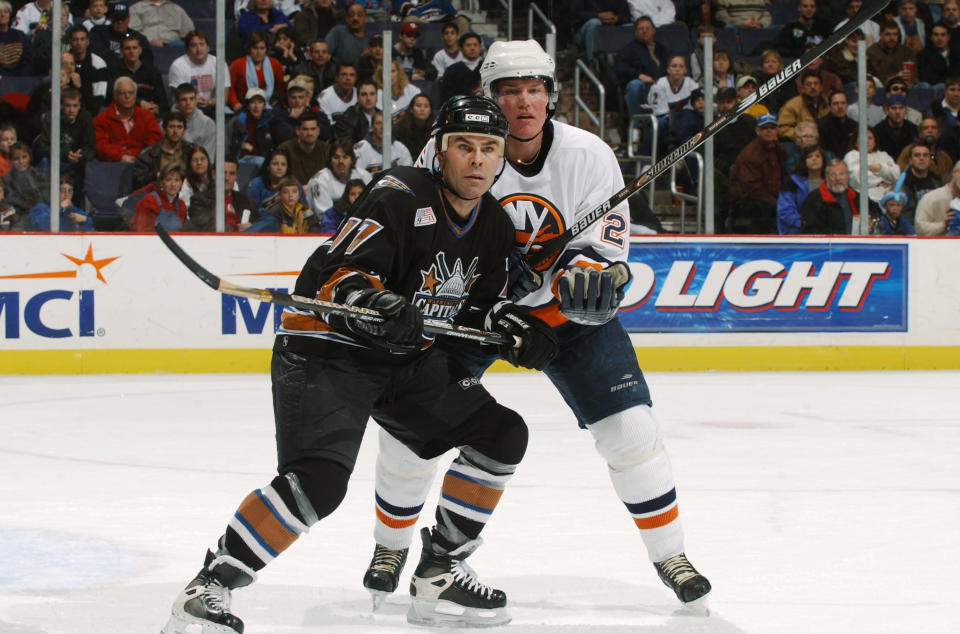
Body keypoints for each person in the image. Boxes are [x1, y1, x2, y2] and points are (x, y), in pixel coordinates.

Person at [159, 94, 558, 631]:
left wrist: (514, 331)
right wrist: (375, 302)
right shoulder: (397, 193)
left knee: (502, 435)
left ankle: (440, 570)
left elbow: (480, 311)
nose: (478, 160)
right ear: (440, 150)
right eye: (464, 146)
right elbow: (338, 276)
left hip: (403, 360)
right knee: (319, 483)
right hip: (329, 349)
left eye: (489, 148)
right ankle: (208, 586)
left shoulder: (492, 224)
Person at [362, 40, 711, 614]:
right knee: (408, 438)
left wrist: (589, 273)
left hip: (561, 320)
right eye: (508, 91)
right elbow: (423, 231)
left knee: (632, 432)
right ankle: (390, 548)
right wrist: (486, 265)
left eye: (534, 89)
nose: (523, 103)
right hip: (468, 316)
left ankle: (671, 555)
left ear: (550, 95)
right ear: (488, 97)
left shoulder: (590, 155)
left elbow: (608, 248)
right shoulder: (448, 150)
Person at [32, 85, 96, 205]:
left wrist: (79, 156)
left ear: (80, 106)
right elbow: (42, 147)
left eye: (75, 106)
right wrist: (65, 155)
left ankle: (79, 206)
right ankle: (43, 203)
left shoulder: (86, 118)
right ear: (61, 105)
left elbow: (91, 148)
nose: (71, 110)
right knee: (44, 162)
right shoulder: (51, 117)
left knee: (90, 165)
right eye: (67, 105)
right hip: (55, 160)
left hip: (77, 161)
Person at [729, 113, 786, 233]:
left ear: (777, 130)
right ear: (757, 131)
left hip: (773, 198)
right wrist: (776, 203)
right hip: (750, 202)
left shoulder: (778, 148)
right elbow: (752, 188)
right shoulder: (750, 154)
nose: (768, 131)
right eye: (764, 128)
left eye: (772, 128)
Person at [93, 76, 163, 163]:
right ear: (115, 95)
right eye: (122, 92)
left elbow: (154, 144)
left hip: (143, 164)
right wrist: (122, 156)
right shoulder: (101, 119)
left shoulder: (147, 117)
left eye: (131, 92)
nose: (127, 96)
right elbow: (101, 147)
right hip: (112, 165)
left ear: (135, 96)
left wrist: (139, 158)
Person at [615, 16, 666, 127]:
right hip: (643, 85)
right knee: (634, 85)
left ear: (653, 30)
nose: (644, 31)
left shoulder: (662, 49)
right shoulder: (629, 49)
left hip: (663, 84)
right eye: (641, 28)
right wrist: (638, 75)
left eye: (647, 28)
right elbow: (619, 67)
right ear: (636, 32)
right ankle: (636, 127)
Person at [187, 159, 260, 232]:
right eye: (223, 173)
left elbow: (259, 227)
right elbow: (205, 227)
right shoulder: (199, 200)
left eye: (231, 173)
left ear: (236, 176)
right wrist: (235, 230)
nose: (227, 178)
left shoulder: (248, 202)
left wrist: (253, 228)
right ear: (213, 174)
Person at [167, 30, 231, 114]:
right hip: (186, 109)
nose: (198, 49)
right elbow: (180, 98)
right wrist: (195, 101)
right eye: (194, 45)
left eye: (201, 44)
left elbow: (223, 98)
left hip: (212, 107)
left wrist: (209, 101)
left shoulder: (219, 64)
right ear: (188, 49)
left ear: (208, 48)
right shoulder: (178, 66)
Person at [305, 137, 371, 215]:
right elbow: (325, 215)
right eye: (336, 157)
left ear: (352, 160)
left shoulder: (364, 176)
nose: (341, 161)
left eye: (345, 157)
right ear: (330, 160)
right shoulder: (319, 180)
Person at [133, 111, 194, 189]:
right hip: (157, 195)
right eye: (171, 127)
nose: (175, 131)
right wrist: (155, 175)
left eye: (179, 127)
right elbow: (138, 182)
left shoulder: (192, 151)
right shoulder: (147, 155)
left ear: (184, 130)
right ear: (164, 129)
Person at [108, 34, 168, 116]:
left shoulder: (152, 71)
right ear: (121, 52)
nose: (132, 51)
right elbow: (113, 96)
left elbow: (163, 100)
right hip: (124, 113)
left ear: (140, 50)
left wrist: (156, 108)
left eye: (135, 48)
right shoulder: (114, 71)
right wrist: (140, 103)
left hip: (150, 114)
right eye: (127, 48)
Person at [800, 158, 861, 233]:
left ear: (847, 176)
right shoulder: (814, 199)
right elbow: (810, 230)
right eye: (833, 174)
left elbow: (875, 212)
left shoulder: (855, 196)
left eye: (841, 174)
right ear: (826, 177)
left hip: (855, 243)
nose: (838, 178)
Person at [228, 31, 285, 110]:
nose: (259, 52)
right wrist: (235, 104)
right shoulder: (237, 64)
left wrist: (277, 104)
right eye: (255, 48)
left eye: (262, 48)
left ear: (266, 49)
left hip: (268, 106)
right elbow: (230, 88)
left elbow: (281, 88)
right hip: (243, 105)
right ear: (249, 49)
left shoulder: (275, 64)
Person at [778, 144, 827, 234]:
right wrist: (804, 224)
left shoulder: (830, 183)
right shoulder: (792, 182)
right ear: (804, 161)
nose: (814, 159)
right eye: (809, 156)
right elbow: (785, 211)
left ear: (823, 160)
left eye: (817, 156)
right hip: (799, 229)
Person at [844, 127, 900, 204]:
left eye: (870, 138)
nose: (867, 141)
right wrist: (883, 177)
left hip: (888, 198)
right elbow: (859, 180)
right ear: (855, 142)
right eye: (863, 138)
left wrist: (880, 168)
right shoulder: (851, 156)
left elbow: (896, 175)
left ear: (875, 141)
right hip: (865, 200)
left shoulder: (883, 155)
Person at [89, 2, 154, 66]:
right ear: (111, 19)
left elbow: (147, 60)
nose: (120, 22)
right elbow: (96, 54)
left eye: (123, 19)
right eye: (117, 19)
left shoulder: (138, 37)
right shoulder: (98, 32)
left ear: (128, 19)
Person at [570, 0, 631, 64]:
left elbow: (627, 16)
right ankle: (592, 63)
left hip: (611, 30)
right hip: (584, 32)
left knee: (630, 26)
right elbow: (575, 14)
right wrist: (597, 15)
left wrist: (616, 19)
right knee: (594, 22)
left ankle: (630, 64)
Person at [130, 162, 187, 231]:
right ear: (161, 182)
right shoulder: (150, 200)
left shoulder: (181, 205)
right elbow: (143, 232)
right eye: (168, 180)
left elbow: (183, 233)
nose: (173, 184)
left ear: (181, 183)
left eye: (177, 180)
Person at [277, 110, 329, 184]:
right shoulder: (284, 149)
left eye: (313, 129)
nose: (309, 133)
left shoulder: (327, 149)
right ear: (297, 130)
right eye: (305, 129)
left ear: (318, 131)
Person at [226, 87, 275, 165]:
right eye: (252, 102)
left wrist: (251, 149)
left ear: (264, 106)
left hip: (262, 164)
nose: (256, 106)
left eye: (260, 102)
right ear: (248, 105)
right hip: (239, 162)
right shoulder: (237, 122)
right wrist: (239, 146)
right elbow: (228, 147)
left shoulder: (269, 123)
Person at [67, 25, 109, 113]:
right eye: (75, 39)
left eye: (82, 39)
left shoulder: (98, 64)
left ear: (87, 41)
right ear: (70, 42)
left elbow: (98, 100)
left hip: (88, 111)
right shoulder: (62, 61)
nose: (79, 43)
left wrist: (80, 87)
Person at [778, 72, 829, 143]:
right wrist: (803, 136)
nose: (813, 87)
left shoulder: (829, 103)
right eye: (808, 84)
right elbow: (782, 129)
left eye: (816, 84)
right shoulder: (792, 104)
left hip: (825, 142)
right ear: (803, 88)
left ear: (821, 87)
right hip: (800, 143)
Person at [1, 142, 48, 219]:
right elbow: (10, 198)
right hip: (20, 215)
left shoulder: (38, 175)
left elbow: (46, 194)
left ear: (30, 157)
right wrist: (29, 205)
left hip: (41, 212)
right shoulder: (6, 179)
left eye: (24, 157)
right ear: (10, 161)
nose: (21, 161)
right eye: (16, 158)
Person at [172, 83, 217, 161]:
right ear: (176, 103)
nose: (188, 103)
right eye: (183, 99)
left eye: (191, 99)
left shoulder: (208, 124)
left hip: (199, 168)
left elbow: (209, 158)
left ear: (196, 100)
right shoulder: (166, 125)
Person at [900, 142, 944, 222]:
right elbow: (904, 213)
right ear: (910, 160)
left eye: (925, 155)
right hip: (912, 227)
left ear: (930, 160)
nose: (921, 158)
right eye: (917, 155)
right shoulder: (902, 182)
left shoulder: (937, 181)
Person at [28, 178, 93, 231]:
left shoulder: (73, 209)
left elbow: (92, 226)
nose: (67, 194)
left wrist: (85, 219)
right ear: (54, 192)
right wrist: (60, 208)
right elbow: (44, 226)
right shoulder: (40, 208)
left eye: (70, 191)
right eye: (63, 191)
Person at [914, 160, 960, 234]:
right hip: (936, 245)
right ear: (955, 172)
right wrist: (943, 225)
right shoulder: (931, 198)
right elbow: (920, 228)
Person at [438, 31, 484, 104]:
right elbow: (446, 98)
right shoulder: (451, 71)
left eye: (475, 45)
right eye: (468, 45)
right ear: (461, 49)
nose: (472, 48)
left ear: (480, 48)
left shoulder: (488, 68)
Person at [867, 20, 916, 85]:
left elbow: (915, 78)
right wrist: (897, 77)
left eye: (895, 34)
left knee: (923, 86)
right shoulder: (872, 51)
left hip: (905, 87)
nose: (892, 38)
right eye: (888, 34)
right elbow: (877, 79)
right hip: (881, 88)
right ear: (880, 35)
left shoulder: (907, 51)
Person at [128, 0, 194, 47]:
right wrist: (150, 41)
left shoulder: (176, 9)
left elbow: (190, 32)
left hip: (173, 47)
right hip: (147, 47)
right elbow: (133, 32)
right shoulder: (135, 8)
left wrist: (183, 38)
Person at [332, 78, 377, 144]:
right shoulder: (348, 118)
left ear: (377, 97)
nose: (368, 98)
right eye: (364, 94)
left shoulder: (383, 115)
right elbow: (346, 146)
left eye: (372, 94)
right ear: (358, 98)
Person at [874, 94, 919, 158]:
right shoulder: (878, 130)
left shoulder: (913, 129)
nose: (897, 112)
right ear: (887, 110)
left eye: (901, 108)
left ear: (906, 110)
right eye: (893, 108)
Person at [818, 90, 858, 159]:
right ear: (829, 106)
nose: (840, 106)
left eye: (843, 103)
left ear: (847, 105)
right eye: (835, 103)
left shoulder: (855, 126)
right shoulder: (821, 125)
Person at [0, 0, 35, 76]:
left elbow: (28, 60)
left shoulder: (20, 36)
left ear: (10, 15)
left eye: (5, 12)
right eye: (0, 12)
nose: (2, 14)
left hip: (20, 80)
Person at [395, 93, 435, 158]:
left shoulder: (435, 129)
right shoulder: (399, 128)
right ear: (411, 109)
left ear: (430, 111)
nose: (422, 109)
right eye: (418, 105)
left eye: (426, 106)